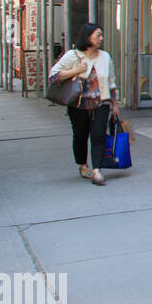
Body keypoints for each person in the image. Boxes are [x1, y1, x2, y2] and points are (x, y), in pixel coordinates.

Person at [49, 23, 119, 185]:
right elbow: (53, 76)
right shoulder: (72, 56)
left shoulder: (105, 56)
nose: (101, 38)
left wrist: (114, 105)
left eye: (101, 35)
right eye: (97, 35)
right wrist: (76, 70)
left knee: (98, 135)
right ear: (87, 37)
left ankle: (97, 170)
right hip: (78, 105)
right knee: (81, 136)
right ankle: (82, 164)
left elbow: (111, 82)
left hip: (101, 103)